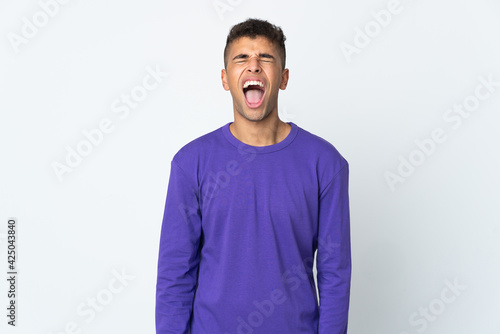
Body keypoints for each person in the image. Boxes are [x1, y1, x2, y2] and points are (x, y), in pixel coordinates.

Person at [156, 18, 351, 334]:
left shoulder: (325, 163)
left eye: (266, 58)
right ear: (225, 78)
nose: (254, 67)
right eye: (242, 58)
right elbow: (175, 270)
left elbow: (335, 273)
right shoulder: (190, 162)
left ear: (283, 78)